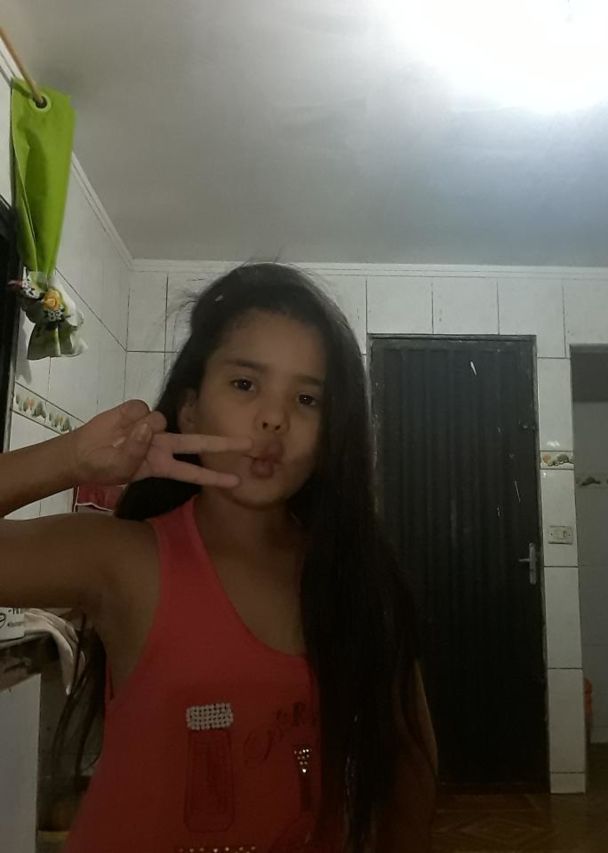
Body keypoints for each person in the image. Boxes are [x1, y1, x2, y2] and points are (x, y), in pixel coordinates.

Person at [0, 263, 437, 852]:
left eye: (307, 398)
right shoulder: (124, 559)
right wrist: (71, 458)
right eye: (245, 384)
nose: (275, 417)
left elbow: (410, 763)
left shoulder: (355, 578)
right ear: (190, 410)